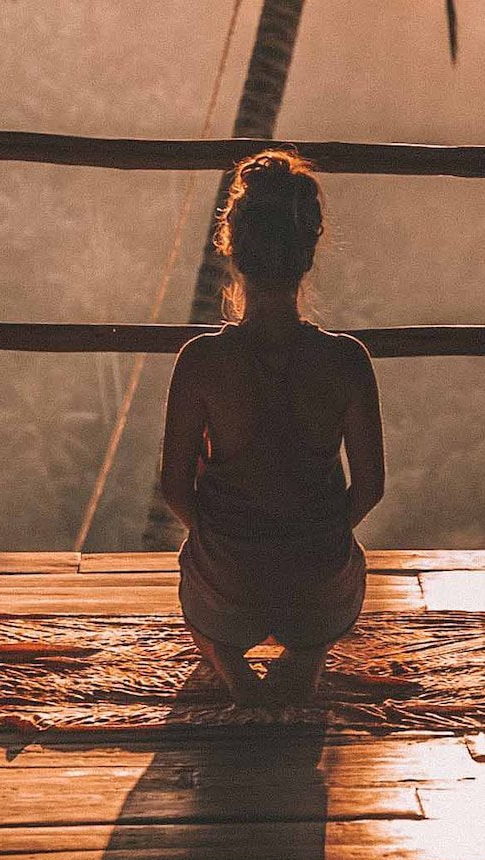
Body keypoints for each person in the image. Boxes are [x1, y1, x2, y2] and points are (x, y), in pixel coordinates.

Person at [158, 150, 385, 707]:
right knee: (339, 568)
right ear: (307, 254)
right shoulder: (347, 361)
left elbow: (174, 487)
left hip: (230, 586)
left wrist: (222, 538)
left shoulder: (201, 362)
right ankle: (308, 653)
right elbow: (371, 487)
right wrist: (317, 533)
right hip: (316, 587)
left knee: (199, 578)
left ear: (232, 251)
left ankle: (231, 666)